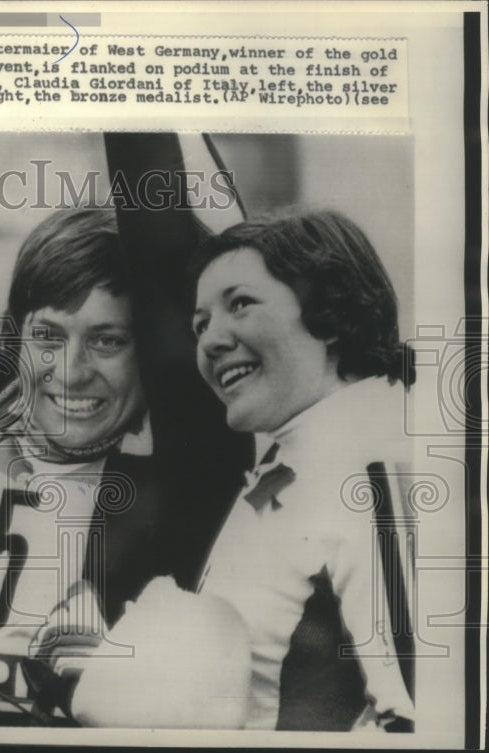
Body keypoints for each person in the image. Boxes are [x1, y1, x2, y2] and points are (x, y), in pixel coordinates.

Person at [0, 208, 209, 725]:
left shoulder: (180, 472)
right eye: (47, 336)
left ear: (150, 350)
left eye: (108, 340)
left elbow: (163, 248)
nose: (71, 372)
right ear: (17, 338)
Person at [186, 210, 417, 731]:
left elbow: (419, 721)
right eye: (200, 324)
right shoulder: (299, 456)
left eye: (240, 304)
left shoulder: (373, 461)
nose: (209, 341)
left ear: (330, 313)